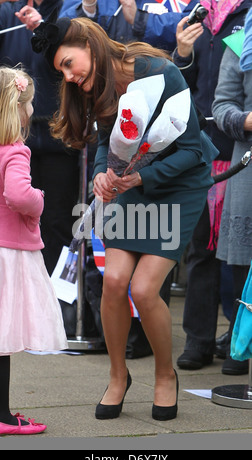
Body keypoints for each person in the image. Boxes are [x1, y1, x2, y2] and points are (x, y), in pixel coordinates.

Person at [31, 16, 218, 421]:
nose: (69, 77)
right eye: (61, 71)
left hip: (178, 185)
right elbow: (106, 144)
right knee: (114, 281)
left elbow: (190, 150)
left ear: (86, 42)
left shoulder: (160, 73)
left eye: (68, 63)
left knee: (145, 290)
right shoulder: (94, 84)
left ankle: (165, 375)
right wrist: (101, 172)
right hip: (129, 186)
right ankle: (118, 377)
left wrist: (140, 176)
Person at [172, 0, 252, 372]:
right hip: (204, 147)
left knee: (236, 253)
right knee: (202, 249)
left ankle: (236, 338)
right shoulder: (195, 12)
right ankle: (198, 340)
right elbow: (181, 86)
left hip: (235, 150)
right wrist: (182, 54)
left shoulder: (246, 14)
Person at [0, 66, 68, 436]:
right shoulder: (16, 151)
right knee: (3, 339)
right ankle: (4, 417)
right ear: (19, 109)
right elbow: (18, 195)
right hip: (8, 254)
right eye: (30, 105)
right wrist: (39, 199)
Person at [0, 0, 80, 276]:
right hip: (11, 135)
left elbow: (74, 60)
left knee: (58, 221)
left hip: (60, 137)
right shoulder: (6, 11)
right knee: (10, 219)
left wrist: (45, 30)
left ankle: (56, 297)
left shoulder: (67, 10)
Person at [212, 13, 252, 374]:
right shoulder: (240, 43)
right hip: (249, 162)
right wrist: (247, 120)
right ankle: (242, 341)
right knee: (241, 260)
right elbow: (221, 105)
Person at [60, 0, 198, 51]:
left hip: (174, 82)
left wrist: (139, 19)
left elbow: (193, 25)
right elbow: (63, 28)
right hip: (117, 88)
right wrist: (88, 8)